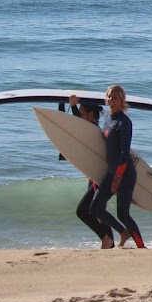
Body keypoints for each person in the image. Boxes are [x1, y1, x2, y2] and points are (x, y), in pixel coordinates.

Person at [89, 84, 145, 249]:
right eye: (109, 96)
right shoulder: (107, 119)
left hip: (125, 174)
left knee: (123, 213)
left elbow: (124, 151)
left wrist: (118, 177)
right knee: (95, 208)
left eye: (115, 97)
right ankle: (123, 232)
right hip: (112, 172)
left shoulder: (124, 122)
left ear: (122, 100)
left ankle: (141, 247)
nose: (111, 100)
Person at [68, 95, 113, 247]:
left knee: (83, 211)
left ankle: (106, 239)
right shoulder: (92, 129)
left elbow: (77, 124)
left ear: (91, 115)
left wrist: (73, 106)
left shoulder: (93, 130)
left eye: (82, 113)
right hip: (95, 177)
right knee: (99, 212)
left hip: (100, 178)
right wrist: (62, 104)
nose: (79, 117)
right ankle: (110, 243)